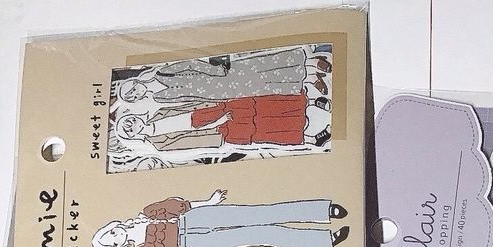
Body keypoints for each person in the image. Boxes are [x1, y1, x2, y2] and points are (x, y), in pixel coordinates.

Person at [91, 190, 349, 247]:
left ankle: (322, 210)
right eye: (112, 241)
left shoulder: (147, 213)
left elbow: (180, 206)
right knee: (259, 235)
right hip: (195, 243)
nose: (116, 235)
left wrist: (209, 201)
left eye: (110, 232)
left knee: (260, 213)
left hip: (196, 218)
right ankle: (324, 241)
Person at [115, 93, 331, 152]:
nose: (133, 124)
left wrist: (214, 107)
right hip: (217, 128)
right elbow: (192, 137)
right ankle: (312, 139)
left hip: (214, 109)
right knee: (262, 131)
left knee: (262, 106)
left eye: (130, 121)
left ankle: (310, 102)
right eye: (130, 129)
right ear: (134, 136)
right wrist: (217, 122)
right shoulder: (158, 143)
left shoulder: (159, 112)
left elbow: (188, 106)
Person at [117, 48, 328, 104]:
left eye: (132, 89)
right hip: (217, 93)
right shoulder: (159, 98)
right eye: (132, 96)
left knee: (260, 68)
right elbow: (189, 99)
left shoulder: (160, 73)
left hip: (218, 76)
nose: (136, 93)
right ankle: (309, 79)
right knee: (263, 86)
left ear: (135, 81)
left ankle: (309, 62)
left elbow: (190, 64)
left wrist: (215, 71)